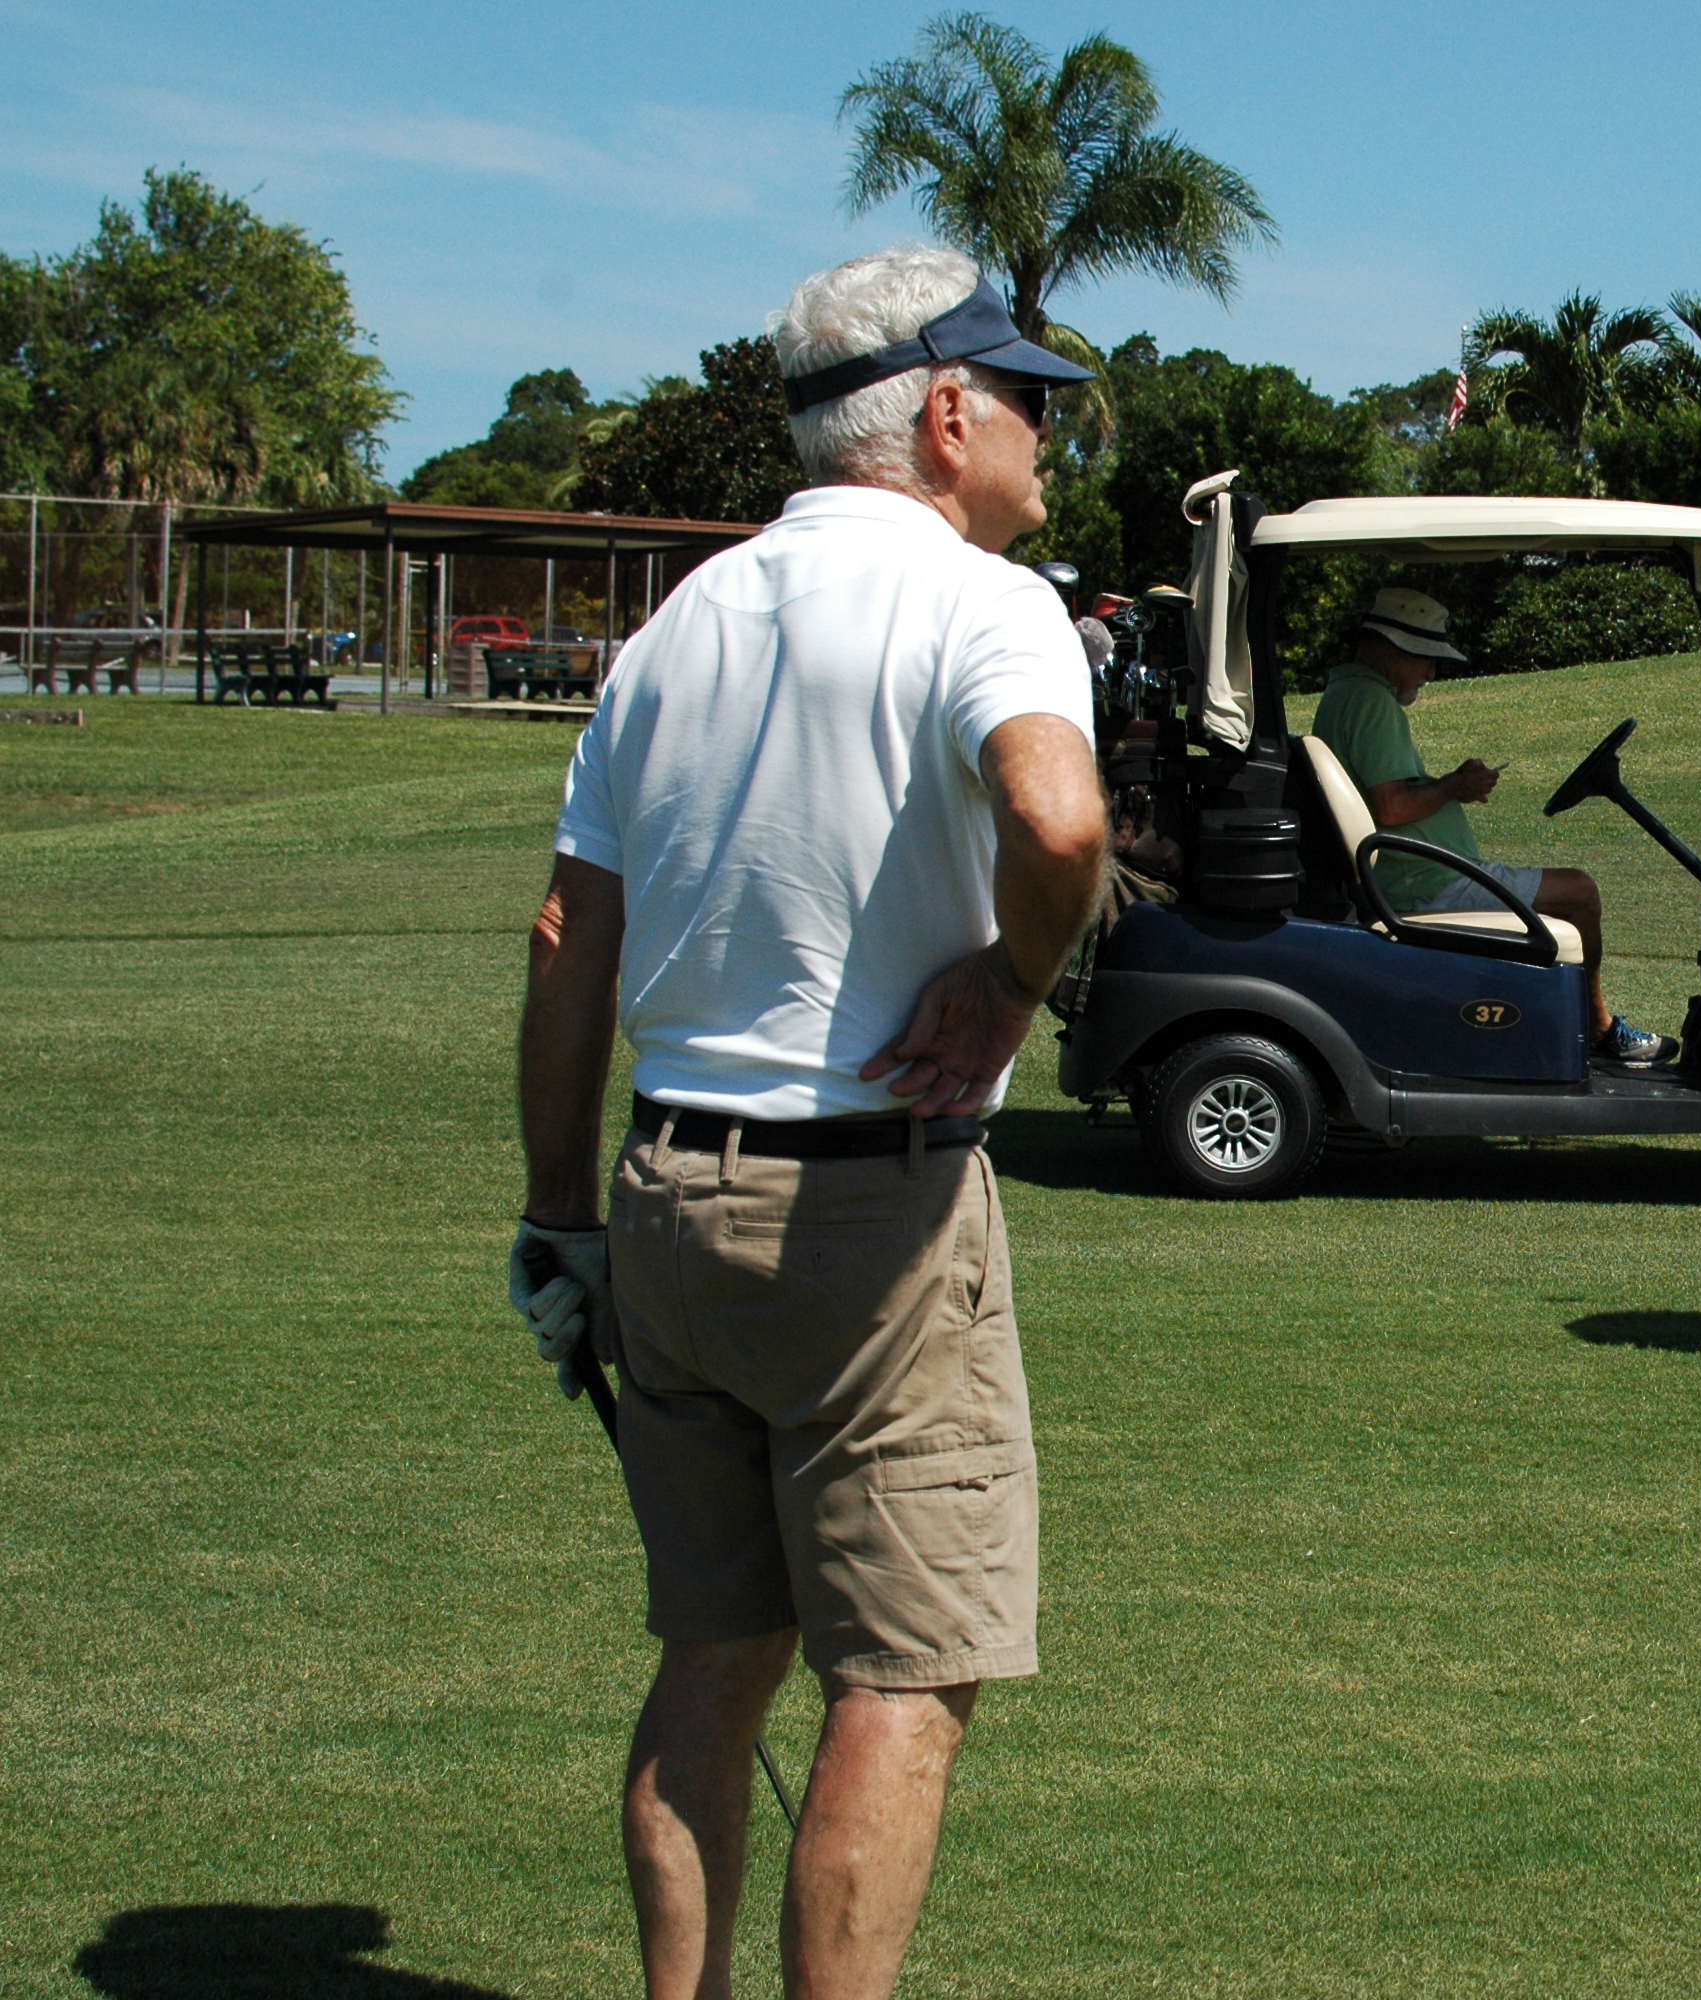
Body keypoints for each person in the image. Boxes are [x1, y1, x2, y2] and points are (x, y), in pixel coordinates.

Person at [507, 244, 1110, 2000]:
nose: (1044, 434)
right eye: (1027, 401)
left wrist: (559, 1219)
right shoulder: (989, 602)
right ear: (945, 415)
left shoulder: (677, 626)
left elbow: (565, 938)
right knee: (903, 1681)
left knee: (716, 1655)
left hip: (664, 1198)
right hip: (869, 1212)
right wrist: (1012, 984)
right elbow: (1062, 825)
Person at [1310, 586, 1673, 1063]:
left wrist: (1451, 785)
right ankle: (1599, 1028)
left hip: (1414, 875)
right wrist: (1455, 786)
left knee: (1567, 892)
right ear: (1390, 648)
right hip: (1424, 882)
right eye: (1425, 658)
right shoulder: (1371, 701)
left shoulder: (1345, 694)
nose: (1431, 673)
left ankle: (1562, 1024)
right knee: (1580, 892)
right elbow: (1392, 808)